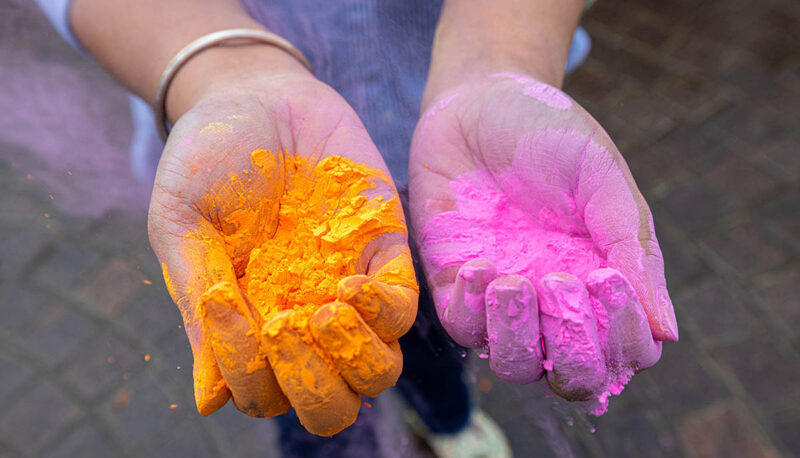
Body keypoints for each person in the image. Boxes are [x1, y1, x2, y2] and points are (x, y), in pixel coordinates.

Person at [35, 0, 677, 456]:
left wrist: (499, 56)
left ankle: (448, 422)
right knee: (303, 367)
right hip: (259, 182)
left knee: (437, 336)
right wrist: (227, 72)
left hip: (470, 184)